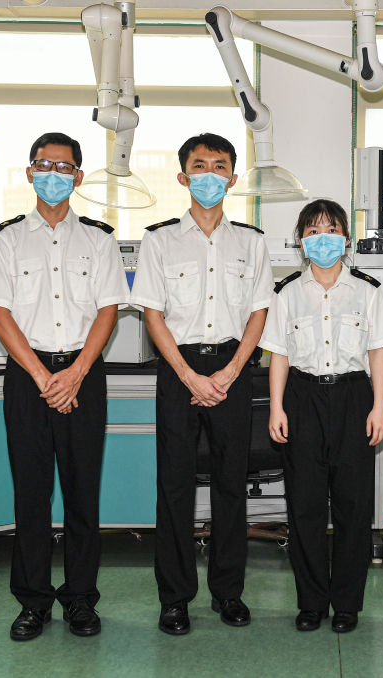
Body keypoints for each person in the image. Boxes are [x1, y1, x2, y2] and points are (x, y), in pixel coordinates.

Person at [0, 131, 128, 640]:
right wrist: (43, 378)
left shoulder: (100, 240)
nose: (53, 175)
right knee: (32, 495)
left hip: (83, 373)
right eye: (44, 165)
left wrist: (76, 373)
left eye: (64, 167)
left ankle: (81, 599)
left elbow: (108, 311)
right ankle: (33, 602)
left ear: (78, 177)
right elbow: (0, 314)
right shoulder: (6, 239)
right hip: (28, 378)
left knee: (83, 494)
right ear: (29, 172)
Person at [130, 132, 273, 635]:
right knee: (175, 488)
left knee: (232, 486)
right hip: (179, 369)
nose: (209, 174)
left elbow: (259, 313)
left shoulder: (252, 242)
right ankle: (174, 599)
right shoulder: (159, 240)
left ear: (232, 179)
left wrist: (231, 372)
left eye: (219, 166)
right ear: (182, 175)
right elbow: (152, 315)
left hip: (234, 367)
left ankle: (228, 593)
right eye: (199, 165)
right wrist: (189, 375)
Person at [260, 199, 383, 633]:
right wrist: (277, 407)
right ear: (301, 242)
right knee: (305, 507)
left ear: (347, 239)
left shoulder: (367, 290)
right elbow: (279, 355)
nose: (323, 239)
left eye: (332, 230)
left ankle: (347, 604)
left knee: (354, 507)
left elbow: (377, 353)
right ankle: (311, 602)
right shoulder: (286, 292)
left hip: (354, 397)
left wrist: (380, 406)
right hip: (302, 398)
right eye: (314, 231)